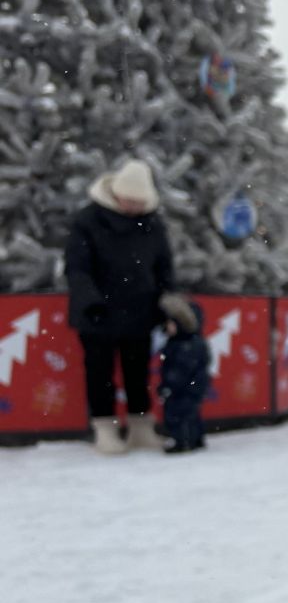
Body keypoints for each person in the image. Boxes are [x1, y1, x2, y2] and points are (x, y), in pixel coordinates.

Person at [63, 159, 180, 454]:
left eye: (139, 202)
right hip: (98, 312)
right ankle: (105, 430)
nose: (133, 207)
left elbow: (164, 268)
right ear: (116, 193)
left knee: (138, 373)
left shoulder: (153, 224)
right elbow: (77, 267)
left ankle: (141, 428)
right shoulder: (88, 220)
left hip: (140, 310)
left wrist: (167, 304)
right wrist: (90, 301)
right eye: (129, 200)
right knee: (99, 373)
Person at [158, 297, 210, 454]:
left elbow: (181, 369)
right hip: (191, 387)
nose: (167, 327)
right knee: (191, 413)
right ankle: (195, 438)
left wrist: (169, 384)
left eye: (171, 323)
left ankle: (183, 441)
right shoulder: (186, 342)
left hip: (184, 388)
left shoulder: (185, 344)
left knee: (178, 413)